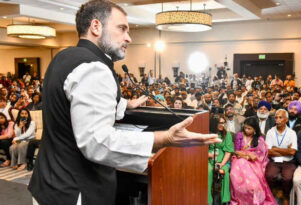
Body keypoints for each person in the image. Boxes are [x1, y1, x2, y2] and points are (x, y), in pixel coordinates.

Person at [28, 1, 220, 205]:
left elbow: (74, 105)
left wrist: (124, 104)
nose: (129, 37)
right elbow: (97, 143)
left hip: (48, 183)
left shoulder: (64, 57)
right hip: (75, 191)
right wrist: (164, 137)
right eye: (122, 29)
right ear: (96, 26)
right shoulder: (94, 68)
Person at [230, 117, 277, 205]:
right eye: (245, 128)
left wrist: (248, 156)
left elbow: (259, 156)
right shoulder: (240, 135)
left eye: (249, 128)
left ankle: (254, 202)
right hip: (238, 161)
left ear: (255, 129)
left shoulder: (259, 139)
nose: (246, 130)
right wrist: (247, 156)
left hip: (254, 164)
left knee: (254, 186)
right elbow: (236, 152)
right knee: (234, 174)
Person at [265, 109, 297, 205]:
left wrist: (276, 148)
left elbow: (292, 152)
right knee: (269, 176)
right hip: (274, 161)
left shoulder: (292, 133)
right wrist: (285, 150)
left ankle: (286, 195)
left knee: (287, 178)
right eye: (276, 117)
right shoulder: (270, 132)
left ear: (286, 120)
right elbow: (268, 152)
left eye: (280, 117)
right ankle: (270, 195)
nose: (277, 120)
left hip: (288, 162)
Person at [208, 117, 234, 204]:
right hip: (209, 158)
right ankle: (208, 200)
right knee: (208, 171)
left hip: (223, 160)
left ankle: (225, 200)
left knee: (224, 173)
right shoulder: (208, 133)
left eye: (223, 123)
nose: (221, 125)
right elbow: (202, 150)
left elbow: (228, 152)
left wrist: (221, 164)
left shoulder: (227, 134)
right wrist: (210, 155)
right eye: (219, 122)